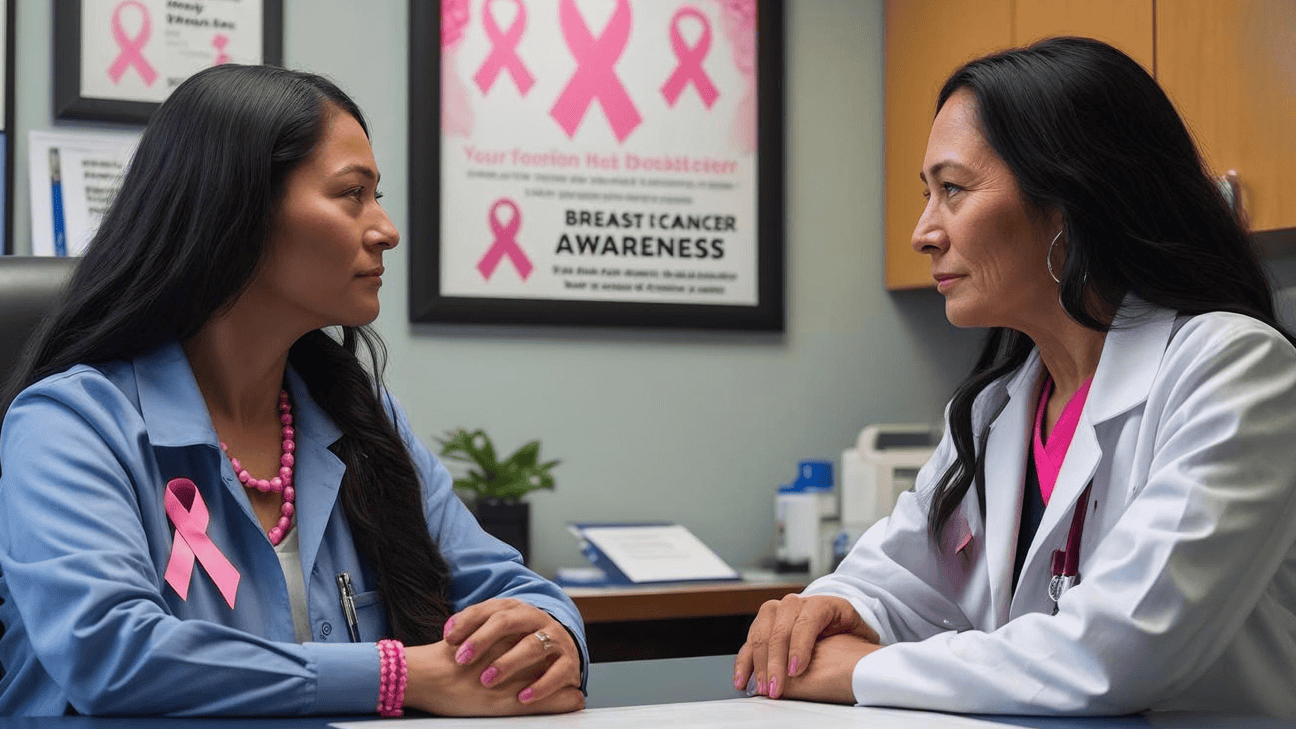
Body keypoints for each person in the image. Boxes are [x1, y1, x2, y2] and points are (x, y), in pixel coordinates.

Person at [0, 64, 586, 717]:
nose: (385, 228)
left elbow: (510, 587)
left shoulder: (360, 418)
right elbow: (110, 651)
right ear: (238, 208)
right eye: (353, 193)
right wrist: (396, 674)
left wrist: (551, 632)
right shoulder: (71, 423)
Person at [735, 37, 1296, 717]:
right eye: (927, 194)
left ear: (1067, 203)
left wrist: (866, 670)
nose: (923, 232)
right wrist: (823, 612)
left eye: (952, 190)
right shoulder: (993, 410)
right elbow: (891, 580)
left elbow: (1114, 651)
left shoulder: (1233, 370)